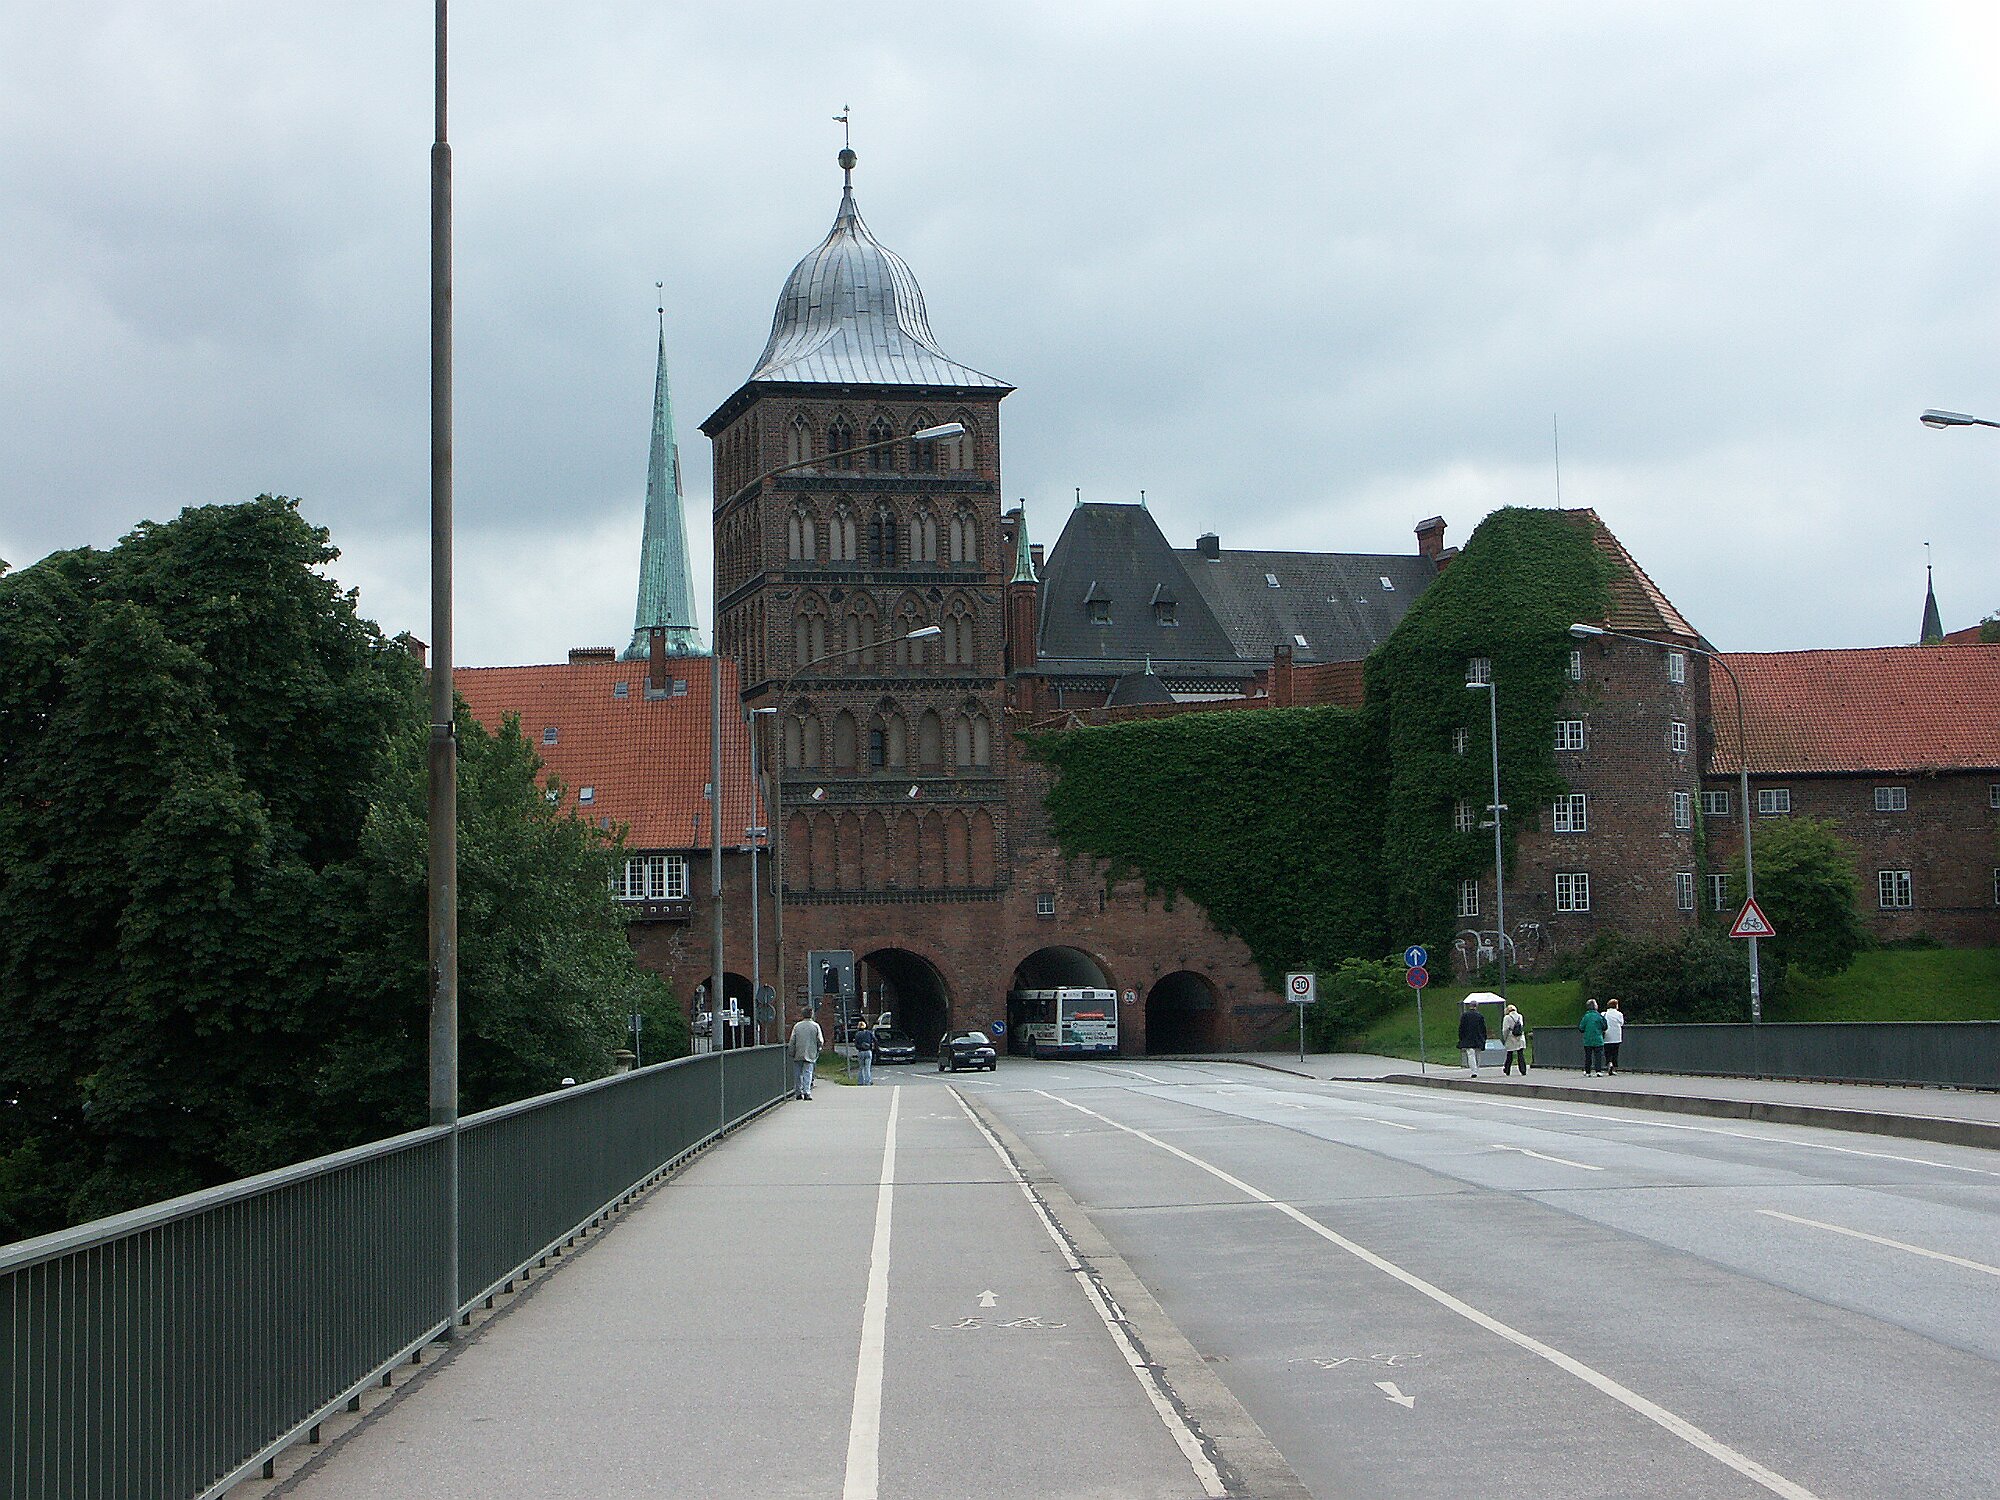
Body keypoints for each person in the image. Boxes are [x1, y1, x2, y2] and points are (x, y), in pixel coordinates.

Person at [789, 1005, 824, 1100]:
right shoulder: (815, 1026)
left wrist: (791, 1051)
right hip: (811, 1052)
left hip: (798, 1052)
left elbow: (792, 1040)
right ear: (811, 1014)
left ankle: (798, 1092)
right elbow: (820, 1040)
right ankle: (807, 1092)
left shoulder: (797, 1026)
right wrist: (819, 1048)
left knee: (798, 1073)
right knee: (808, 1072)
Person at [1457, 998, 1488, 1075]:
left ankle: (1474, 1071)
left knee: (1470, 1054)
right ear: (1476, 1006)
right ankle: (1477, 1068)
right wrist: (1484, 1038)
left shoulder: (1465, 1015)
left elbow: (1461, 1028)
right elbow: (1483, 1028)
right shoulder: (1480, 1016)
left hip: (1468, 1038)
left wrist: (1461, 1038)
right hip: (1478, 1038)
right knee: (1478, 1054)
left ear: (1469, 1006)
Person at [1579, 998, 1607, 1076]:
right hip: (1598, 1039)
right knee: (1598, 1056)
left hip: (1588, 1039)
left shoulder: (1586, 1016)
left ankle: (1588, 1071)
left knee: (1588, 1056)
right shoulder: (1599, 1016)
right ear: (1595, 1006)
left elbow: (1581, 1028)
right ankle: (1598, 1071)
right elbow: (1604, 1026)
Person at [1500, 1002, 1528, 1075]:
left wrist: (1504, 1038)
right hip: (1520, 1036)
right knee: (1520, 1054)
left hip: (1511, 1036)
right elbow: (1521, 1025)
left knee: (1510, 1054)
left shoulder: (1507, 1017)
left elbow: (1505, 1029)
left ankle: (1507, 1069)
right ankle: (1523, 1070)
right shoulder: (1520, 1016)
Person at [1602, 998, 1624, 1075]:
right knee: (1615, 1052)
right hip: (1616, 1036)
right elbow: (1621, 1023)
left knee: (1607, 1052)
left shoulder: (1603, 1014)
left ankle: (1609, 1063)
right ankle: (1614, 1068)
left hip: (1607, 1036)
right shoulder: (1619, 1014)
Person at [854, 1014, 877, 1086]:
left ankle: (860, 1082)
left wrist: (859, 1047)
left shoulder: (857, 1034)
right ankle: (868, 1082)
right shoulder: (869, 1033)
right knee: (867, 1067)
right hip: (868, 1051)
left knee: (861, 1068)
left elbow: (856, 1044)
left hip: (861, 1052)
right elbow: (875, 1040)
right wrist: (873, 1047)